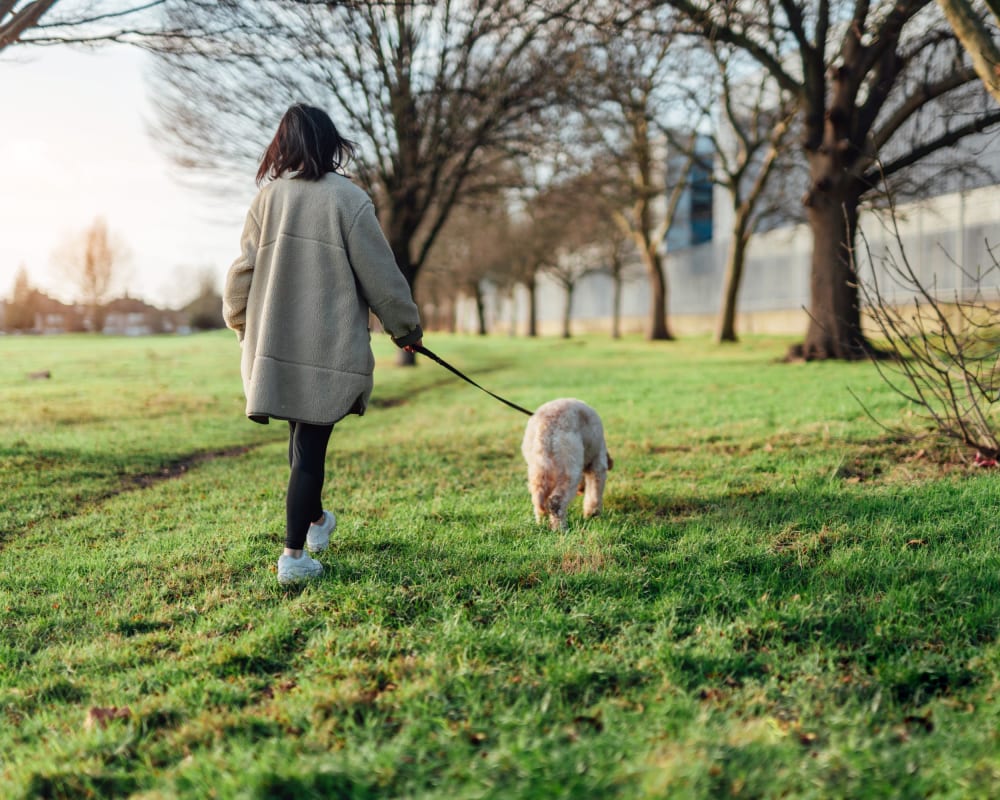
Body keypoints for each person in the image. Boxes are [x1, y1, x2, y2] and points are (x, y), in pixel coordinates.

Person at [223, 103, 423, 586]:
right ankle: (293, 557)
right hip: (327, 348)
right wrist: (406, 328)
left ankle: (316, 524)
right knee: (309, 451)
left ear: (283, 148)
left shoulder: (266, 201)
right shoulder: (347, 200)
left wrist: (240, 323)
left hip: (275, 346)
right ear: (330, 143)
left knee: (301, 446)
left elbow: (240, 275)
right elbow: (381, 274)